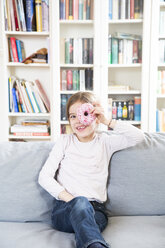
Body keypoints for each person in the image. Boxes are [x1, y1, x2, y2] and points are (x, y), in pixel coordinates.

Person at [38, 91, 144, 248]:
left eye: (84, 114)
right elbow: (44, 177)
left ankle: (91, 242)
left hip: (96, 212)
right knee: (80, 203)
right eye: (72, 116)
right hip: (65, 209)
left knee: (88, 216)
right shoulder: (65, 141)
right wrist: (72, 199)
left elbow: (138, 137)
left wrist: (108, 121)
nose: (78, 121)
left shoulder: (105, 142)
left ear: (96, 117)